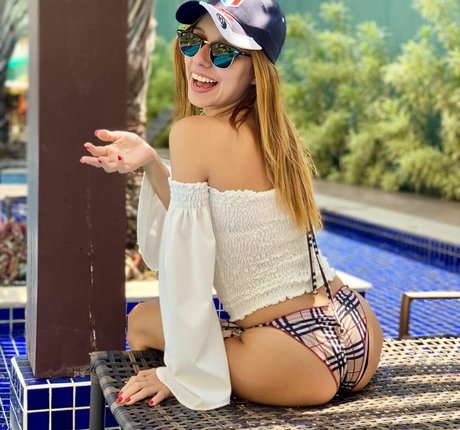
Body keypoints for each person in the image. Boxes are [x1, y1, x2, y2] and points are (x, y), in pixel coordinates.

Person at [81, 0, 383, 411]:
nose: (200, 60)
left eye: (223, 52)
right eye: (193, 42)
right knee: (155, 320)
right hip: (358, 326)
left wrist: (182, 374)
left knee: (143, 323)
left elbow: (186, 270)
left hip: (291, 358)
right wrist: (151, 162)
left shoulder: (193, 132)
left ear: (256, 72)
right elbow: (205, 217)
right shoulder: (278, 136)